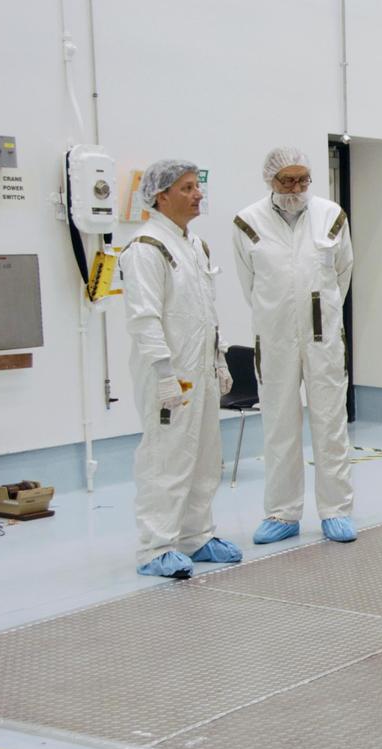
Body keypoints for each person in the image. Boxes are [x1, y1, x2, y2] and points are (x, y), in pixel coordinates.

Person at [121, 159, 241, 578]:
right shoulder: (145, 249)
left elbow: (205, 312)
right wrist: (164, 373)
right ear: (161, 196)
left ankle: (196, 536)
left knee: (206, 456)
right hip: (169, 375)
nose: (198, 195)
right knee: (167, 457)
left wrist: (219, 358)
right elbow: (144, 319)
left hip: (200, 370)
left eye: (197, 187)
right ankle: (156, 547)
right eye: (187, 187)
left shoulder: (194, 245)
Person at [232, 147, 356, 545]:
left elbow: (343, 273)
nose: (297, 188)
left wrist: (320, 315)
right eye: (288, 180)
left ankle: (336, 510)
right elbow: (249, 284)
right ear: (270, 180)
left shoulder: (331, 216)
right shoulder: (247, 223)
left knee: (330, 424)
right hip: (275, 339)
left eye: (303, 179)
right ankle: (283, 513)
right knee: (279, 426)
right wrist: (280, 318)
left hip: (323, 340)